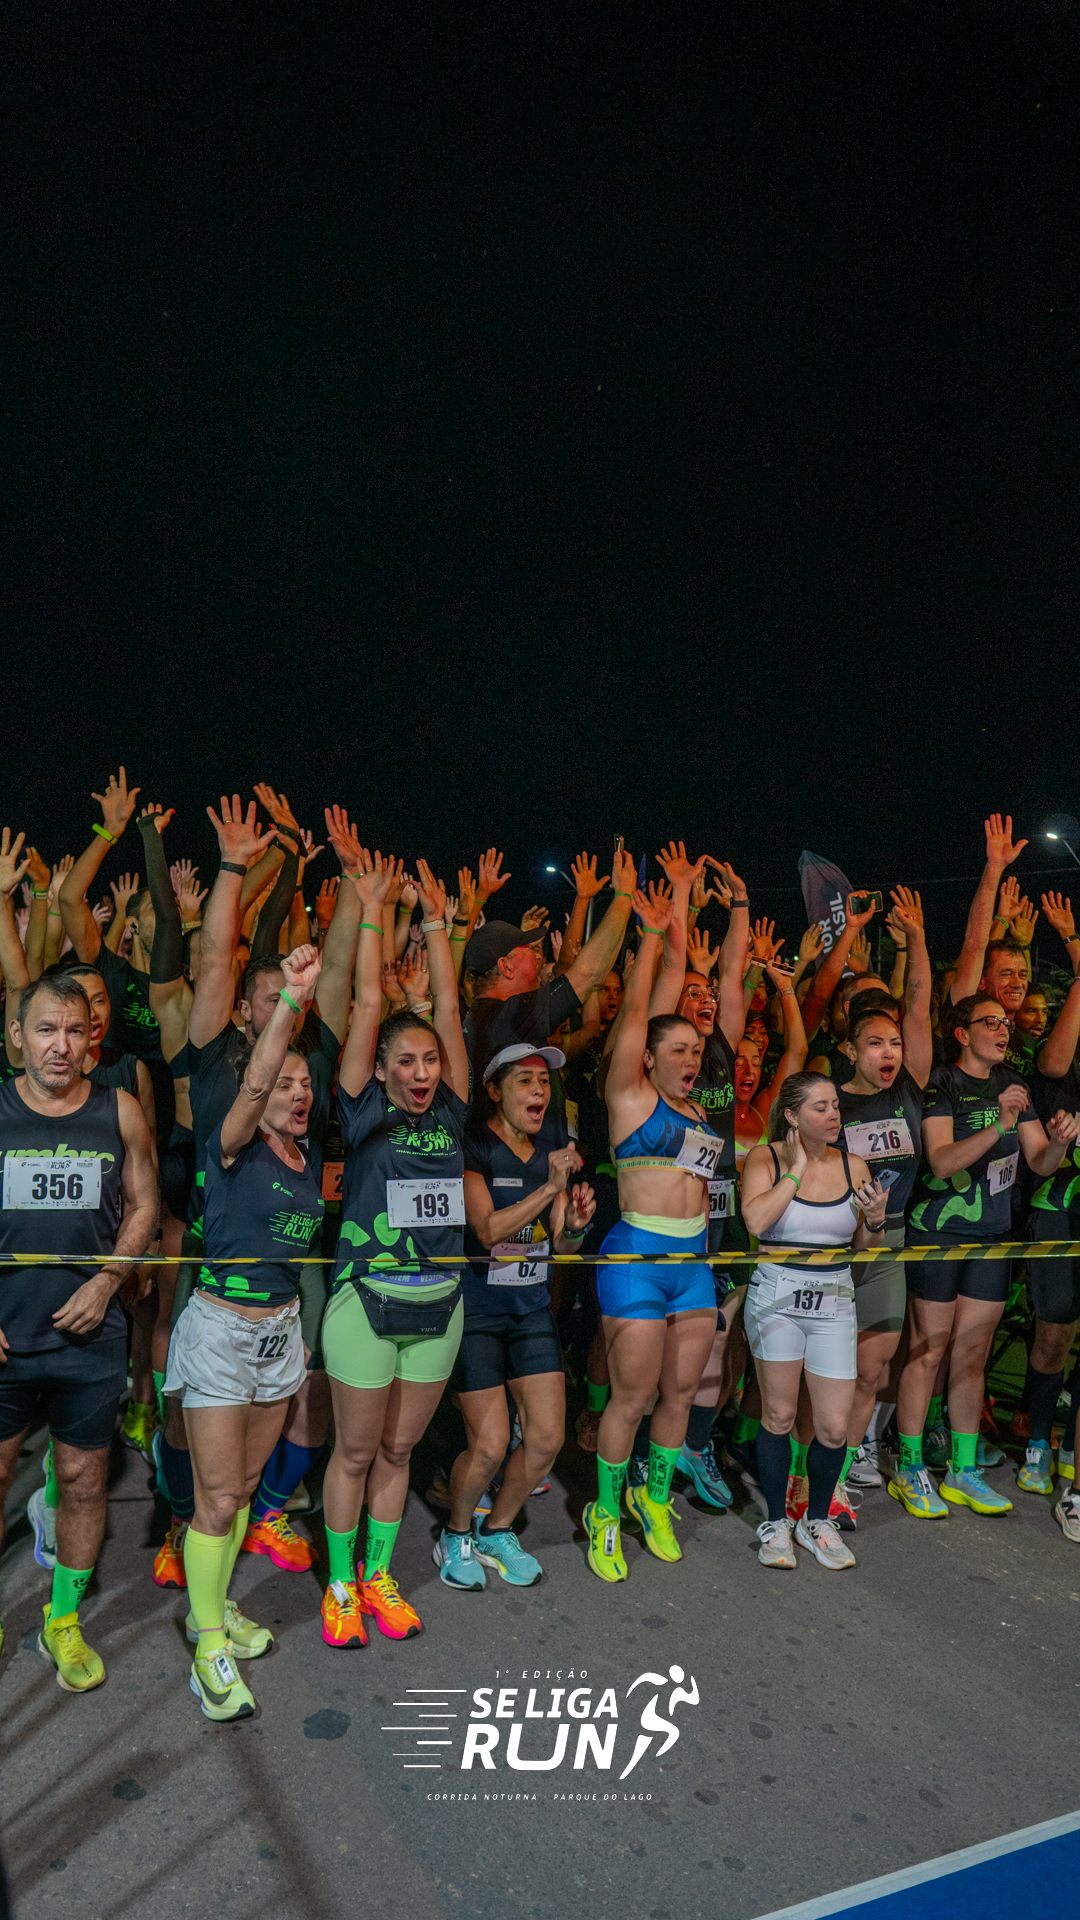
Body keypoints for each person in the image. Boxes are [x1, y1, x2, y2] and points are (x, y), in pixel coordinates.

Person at [167, 944, 325, 1722]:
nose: (296, 1093)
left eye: (305, 1085)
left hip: (278, 1338)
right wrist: (291, 1003)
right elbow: (257, 1077)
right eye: (283, 1084)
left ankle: (217, 1604)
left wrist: (297, 1336)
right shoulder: (229, 1144)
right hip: (220, 1332)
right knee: (220, 1497)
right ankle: (207, 1650)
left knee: (243, 1493)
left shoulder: (307, 1157)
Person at [320, 854, 470, 1648]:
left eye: (430, 1060)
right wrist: (374, 908)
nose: (420, 1072)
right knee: (354, 1451)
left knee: (399, 1447)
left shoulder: (452, 1112)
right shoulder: (360, 1110)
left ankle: (378, 1575)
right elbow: (371, 999)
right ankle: (340, 1583)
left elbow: (448, 1004)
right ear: (378, 1070)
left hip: (439, 1304)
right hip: (364, 1302)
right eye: (404, 1062)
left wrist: (439, 924)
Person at [0, 973, 157, 1688]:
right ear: (16, 1037)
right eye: (45, 1030)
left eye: (74, 1030)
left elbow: (144, 1205)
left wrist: (107, 1280)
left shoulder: (118, 1109)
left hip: (91, 1338)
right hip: (6, 1337)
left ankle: (62, 1619)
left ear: (92, 1037)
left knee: (84, 1480)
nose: (61, 1045)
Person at [893, 996, 1079, 1520]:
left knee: (973, 1355)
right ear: (962, 1033)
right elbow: (941, 1160)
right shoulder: (943, 1083)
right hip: (938, 1234)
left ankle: (962, 1469)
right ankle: (909, 1468)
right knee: (928, 1352)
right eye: (990, 1021)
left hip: (993, 1237)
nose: (1003, 1029)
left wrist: (1058, 1143)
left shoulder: (1013, 1083)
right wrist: (998, 1125)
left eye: (1005, 1022)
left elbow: (1039, 1161)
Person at [583, 878, 721, 1583]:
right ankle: (605, 1513)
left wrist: (681, 926)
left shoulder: (699, 1113)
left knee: (680, 1396)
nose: (692, 1059)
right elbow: (640, 1007)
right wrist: (652, 936)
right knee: (632, 1398)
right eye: (679, 1050)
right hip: (636, 1255)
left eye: (697, 1050)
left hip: (693, 1265)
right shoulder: (631, 1096)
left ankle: (654, 1499)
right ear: (647, 1057)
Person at [434, 1043, 595, 1589]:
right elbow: (485, 1230)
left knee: (547, 1438)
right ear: (494, 1090)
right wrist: (550, 1187)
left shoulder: (551, 1147)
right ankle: (455, 1534)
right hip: (478, 1311)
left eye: (544, 1082)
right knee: (489, 1444)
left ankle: (497, 1529)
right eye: (525, 1080)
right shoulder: (474, 1145)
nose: (538, 1090)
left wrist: (573, 1225)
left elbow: (563, 1247)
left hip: (530, 1310)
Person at [740, 1074, 888, 1571]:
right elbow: (756, 1222)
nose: (833, 1115)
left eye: (836, 1107)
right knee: (780, 1416)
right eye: (820, 1107)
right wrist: (798, 1169)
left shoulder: (854, 1165)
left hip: (834, 1297)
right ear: (791, 1116)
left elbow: (863, 1247)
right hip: (777, 1294)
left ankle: (817, 1520)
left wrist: (876, 1220)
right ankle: (776, 1522)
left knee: (832, 1426)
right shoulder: (765, 1159)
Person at [835, 894, 933, 1492]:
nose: (889, 1052)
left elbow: (918, 1003)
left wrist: (916, 941)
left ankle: (844, 1470)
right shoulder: (830, 1102)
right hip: (835, 1247)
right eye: (875, 1043)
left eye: (894, 1043)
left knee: (870, 1372)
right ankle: (810, 1473)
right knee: (828, 1372)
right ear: (850, 1051)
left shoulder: (909, 1090)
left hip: (887, 1247)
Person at [463, 847, 637, 1089]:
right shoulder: (508, 1015)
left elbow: (571, 972)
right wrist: (624, 895)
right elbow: (588, 974)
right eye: (528, 949)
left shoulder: (486, 1016)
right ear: (506, 967)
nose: (537, 956)